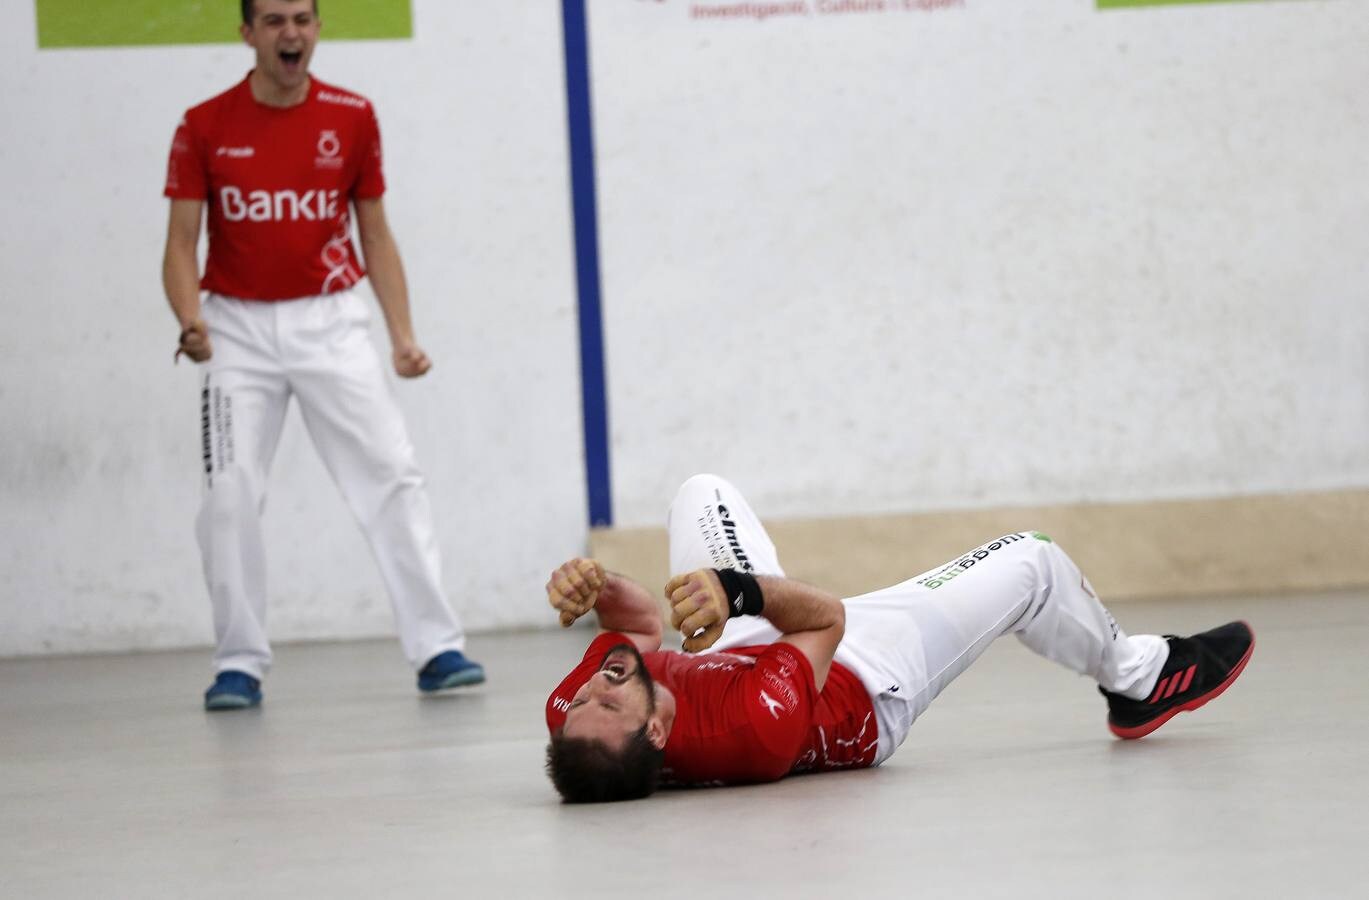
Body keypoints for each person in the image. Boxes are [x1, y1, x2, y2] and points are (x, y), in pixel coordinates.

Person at [543, 474, 1254, 802]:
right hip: (858, 675)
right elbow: (823, 618)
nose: (591, 692)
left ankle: (738, 596)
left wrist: (595, 586)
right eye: (607, 705)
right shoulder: (752, 731)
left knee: (701, 492)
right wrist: (734, 593)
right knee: (1033, 559)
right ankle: (1139, 680)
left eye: (580, 703)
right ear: (660, 731)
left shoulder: (576, 722)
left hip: (748, 653)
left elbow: (633, 634)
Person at [161, 0, 484, 710]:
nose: (291, 33)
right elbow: (181, 244)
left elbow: (376, 233)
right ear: (247, 32)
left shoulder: (352, 117)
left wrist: (402, 334)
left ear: (317, 28)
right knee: (228, 494)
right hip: (235, 330)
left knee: (391, 474)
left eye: (302, 18)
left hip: (331, 322)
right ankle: (238, 663)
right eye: (274, 20)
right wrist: (190, 319)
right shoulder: (202, 125)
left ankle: (438, 647)